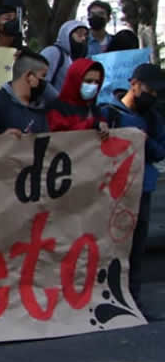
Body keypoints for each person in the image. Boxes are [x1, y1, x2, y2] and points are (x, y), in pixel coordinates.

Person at [96, 64, 165, 304]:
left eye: (157, 92)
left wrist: (143, 141)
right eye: (149, 89)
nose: (152, 96)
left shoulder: (153, 117)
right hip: (110, 189)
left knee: (136, 249)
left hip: (141, 189)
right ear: (133, 83)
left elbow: (160, 151)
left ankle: (133, 299)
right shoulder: (107, 112)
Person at [0, 51, 53, 135]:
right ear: (29, 76)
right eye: (43, 76)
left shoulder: (41, 108)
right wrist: (1, 141)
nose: (46, 82)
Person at [46, 58, 109, 135]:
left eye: (97, 82)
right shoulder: (57, 108)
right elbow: (59, 137)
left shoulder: (94, 109)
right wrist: (91, 124)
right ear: (75, 80)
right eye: (88, 81)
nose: (93, 86)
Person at [42, 20, 90, 91]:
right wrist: (57, 100)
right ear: (67, 34)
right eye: (79, 34)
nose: (83, 38)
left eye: (85, 35)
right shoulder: (53, 52)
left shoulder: (70, 59)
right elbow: (41, 82)